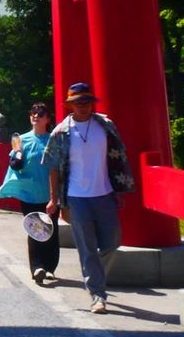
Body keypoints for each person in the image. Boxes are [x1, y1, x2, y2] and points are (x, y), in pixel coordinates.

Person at [43, 81, 135, 313]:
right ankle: (97, 294)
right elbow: (52, 167)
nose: (82, 106)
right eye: (77, 103)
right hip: (76, 196)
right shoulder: (61, 132)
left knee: (113, 241)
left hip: (104, 192)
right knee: (87, 247)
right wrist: (54, 199)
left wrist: (120, 186)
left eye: (86, 102)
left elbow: (118, 157)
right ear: (70, 106)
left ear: (92, 103)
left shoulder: (105, 126)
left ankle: (94, 274)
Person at [0, 101, 59, 285]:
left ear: (48, 119)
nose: (35, 116)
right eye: (33, 113)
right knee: (35, 229)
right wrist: (16, 160)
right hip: (29, 193)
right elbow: (14, 160)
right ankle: (37, 267)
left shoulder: (53, 139)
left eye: (40, 114)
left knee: (51, 231)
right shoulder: (20, 139)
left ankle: (50, 268)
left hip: (50, 193)